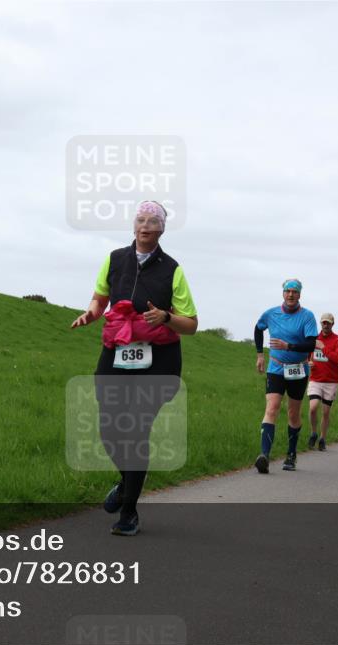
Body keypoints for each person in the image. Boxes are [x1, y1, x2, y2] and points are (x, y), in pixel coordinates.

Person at [71, 201, 198, 536]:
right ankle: (128, 482)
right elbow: (100, 298)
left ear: (161, 229)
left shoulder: (173, 270)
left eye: (152, 221)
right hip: (117, 354)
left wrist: (166, 317)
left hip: (159, 362)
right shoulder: (115, 260)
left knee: (135, 430)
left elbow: (192, 324)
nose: (145, 226)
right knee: (110, 431)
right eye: (140, 220)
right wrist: (91, 313)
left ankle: (128, 513)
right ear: (133, 225)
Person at [253, 279, 319, 473]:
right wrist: (259, 354)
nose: (291, 295)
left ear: (300, 295)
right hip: (276, 367)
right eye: (288, 291)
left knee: (293, 413)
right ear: (283, 293)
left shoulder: (307, 316)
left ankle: (291, 454)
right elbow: (258, 328)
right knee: (272, 408)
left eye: (295, 292)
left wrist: (288, 346)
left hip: (298, 369)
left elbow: (310, 344)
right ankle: (264, 455)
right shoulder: (271, 313)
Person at [306, 313, 338, 452]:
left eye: (328, 323)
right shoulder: (314, 338)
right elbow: (307, 355)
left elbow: (337, 358)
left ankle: (322, 438)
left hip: (331, 381)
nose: (325, 325)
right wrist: (308, 362)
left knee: (326, 412)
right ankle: (313, 432)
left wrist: (323, 347)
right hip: (315, 379)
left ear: (333, 324)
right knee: (313, 407)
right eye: (323, 322)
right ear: (320, 324)